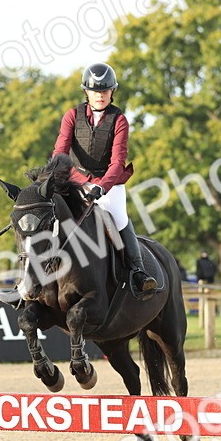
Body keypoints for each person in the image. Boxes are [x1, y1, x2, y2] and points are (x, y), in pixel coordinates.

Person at [48, 62, 156, 296]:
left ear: (112, 92)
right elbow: (59, 154)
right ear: (86, 92)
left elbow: (117, 162)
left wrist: (101, 186)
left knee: (118, 219)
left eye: (105, 91)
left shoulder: (119, 120)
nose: (100, 95)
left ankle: (137, 271)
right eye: (95, 91)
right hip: (75, 180)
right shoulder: (71, 116)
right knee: (51, 217)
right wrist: (79, 180)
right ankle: (32, 277)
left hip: (109, 183)